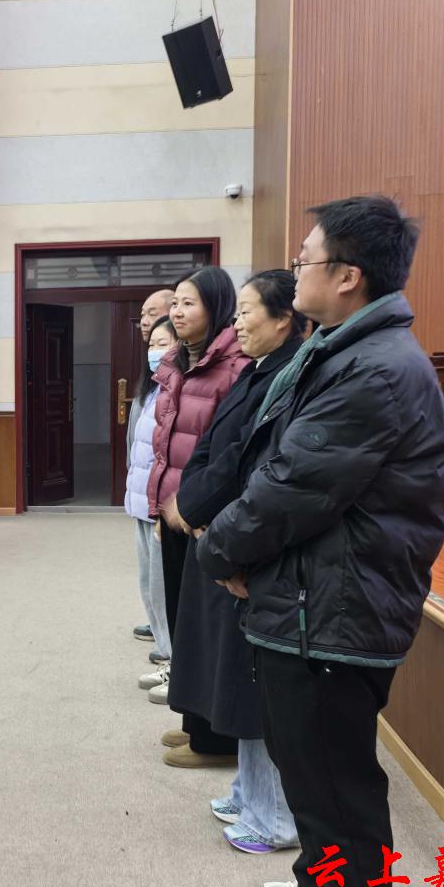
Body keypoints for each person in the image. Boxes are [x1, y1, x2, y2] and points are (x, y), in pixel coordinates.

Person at [196, 197, 444, 887]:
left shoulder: (375, 370)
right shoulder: (342, 349)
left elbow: (290, 488)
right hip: (312, 598)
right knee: (308, 772)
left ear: (346, 276)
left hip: (335, 611)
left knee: (337, 787)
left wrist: (218, 549)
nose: (295, 268)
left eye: (304, 258)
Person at [163, 271, 306, 855]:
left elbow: (251, 465)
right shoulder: (260, 369)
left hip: (243, 542)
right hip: (218, 528)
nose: (239, 323)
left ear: (284, 319)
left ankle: (273, 816)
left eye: (249, 312)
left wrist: (197, 511)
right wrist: (191, 505)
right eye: (239, 312)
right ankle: (250, 793)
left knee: (254, 687)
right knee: (237, 676)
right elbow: (213, 450)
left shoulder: (291, 374)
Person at [146, 267, 249, 724]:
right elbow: (163, 444)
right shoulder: (175, 363)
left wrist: (203, 507)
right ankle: (191, 722)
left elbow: (229, 451)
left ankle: (209, 731)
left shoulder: (234, 365)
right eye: (175, 303)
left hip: (207, 514)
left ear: (217, 307)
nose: (177, 312)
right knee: (180, 617)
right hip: (173, 508)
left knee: (207, 627)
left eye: (189, 303)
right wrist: (159, 506)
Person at [127, 316, 177, 679]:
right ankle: (164, 648)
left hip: (164, 507)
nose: (154, 351)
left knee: (163, 587)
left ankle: (175, 659)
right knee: (148, 583)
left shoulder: (179, 390)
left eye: (163, 344)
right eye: (151, 345)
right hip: (141, 502)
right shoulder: (149, 390)